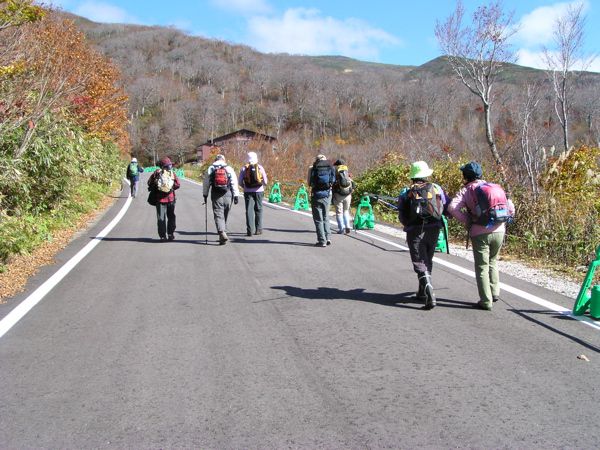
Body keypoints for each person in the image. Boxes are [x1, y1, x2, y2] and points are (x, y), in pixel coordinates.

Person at [448, 161, 515, 310]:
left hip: (479, 232)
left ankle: (486, 301)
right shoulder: (493, 187)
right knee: (493, 261)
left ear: (466, 176)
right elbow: (510, 207)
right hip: (499, 230)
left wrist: (467, 220)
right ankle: (495, 292)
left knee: (482, 266)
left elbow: (452, 207)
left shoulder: (466, 190)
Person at [397, 161, 449, 310]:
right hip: (434, 229)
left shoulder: (406, 191)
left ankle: (429, 292)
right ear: (426, 175)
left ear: (412, 176)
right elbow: (445, 206)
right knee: (428, 259)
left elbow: (401, 213)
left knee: (419, 262)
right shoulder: (436, 188)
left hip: (415, 231)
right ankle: (421, 292)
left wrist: (407, 224)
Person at [203, 154, 240, 245]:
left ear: (215, 160)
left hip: (216, 194)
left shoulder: (211, 168)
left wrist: (205, 194)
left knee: (218, 213)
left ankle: (222, 232)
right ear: (223, 160)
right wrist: (236, 195)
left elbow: (206, 183)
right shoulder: (229, 168)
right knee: (225, 212)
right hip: (228, 193)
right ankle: (223, 231)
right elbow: (234, 182)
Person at [148, 157, 180, 241]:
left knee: (161, 218)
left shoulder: (157, 173)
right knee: (171, 216)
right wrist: (171, 188)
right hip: (171, 199)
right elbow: (178, 184)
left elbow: (149, 183)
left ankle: (162, 236)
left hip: (160, 199)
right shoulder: (172, 173)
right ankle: (170, 234)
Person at [307, 154, 336, 247]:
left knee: (318, 219)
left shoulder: (313, 168)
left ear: (317, 160)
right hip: (328, 194)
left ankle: (322, 240)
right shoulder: (330, 166)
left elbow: (309, 183)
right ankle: (328, 238)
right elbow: (333, 180)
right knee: (325, 216)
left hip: (316, 195)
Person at [238, 151, 268, 237]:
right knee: (259, 209)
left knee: (249, 210)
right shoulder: (260, 167)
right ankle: (258, 229)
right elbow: (265, 182)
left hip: (248, 191)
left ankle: (249, 230)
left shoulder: (244, 168)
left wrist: (245, 187)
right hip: (259, 191)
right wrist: (262, 185)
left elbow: (240, 182)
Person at [332, 159, 355, 234]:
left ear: (336, 164)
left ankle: (341, 229)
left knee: (339, 213)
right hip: (348, 195)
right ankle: (347, 226)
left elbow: (332, 182)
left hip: (338, 195)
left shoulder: (335, 171)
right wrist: (352, 190)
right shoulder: (346, 171)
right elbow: (353, 183)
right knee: (346, 211)